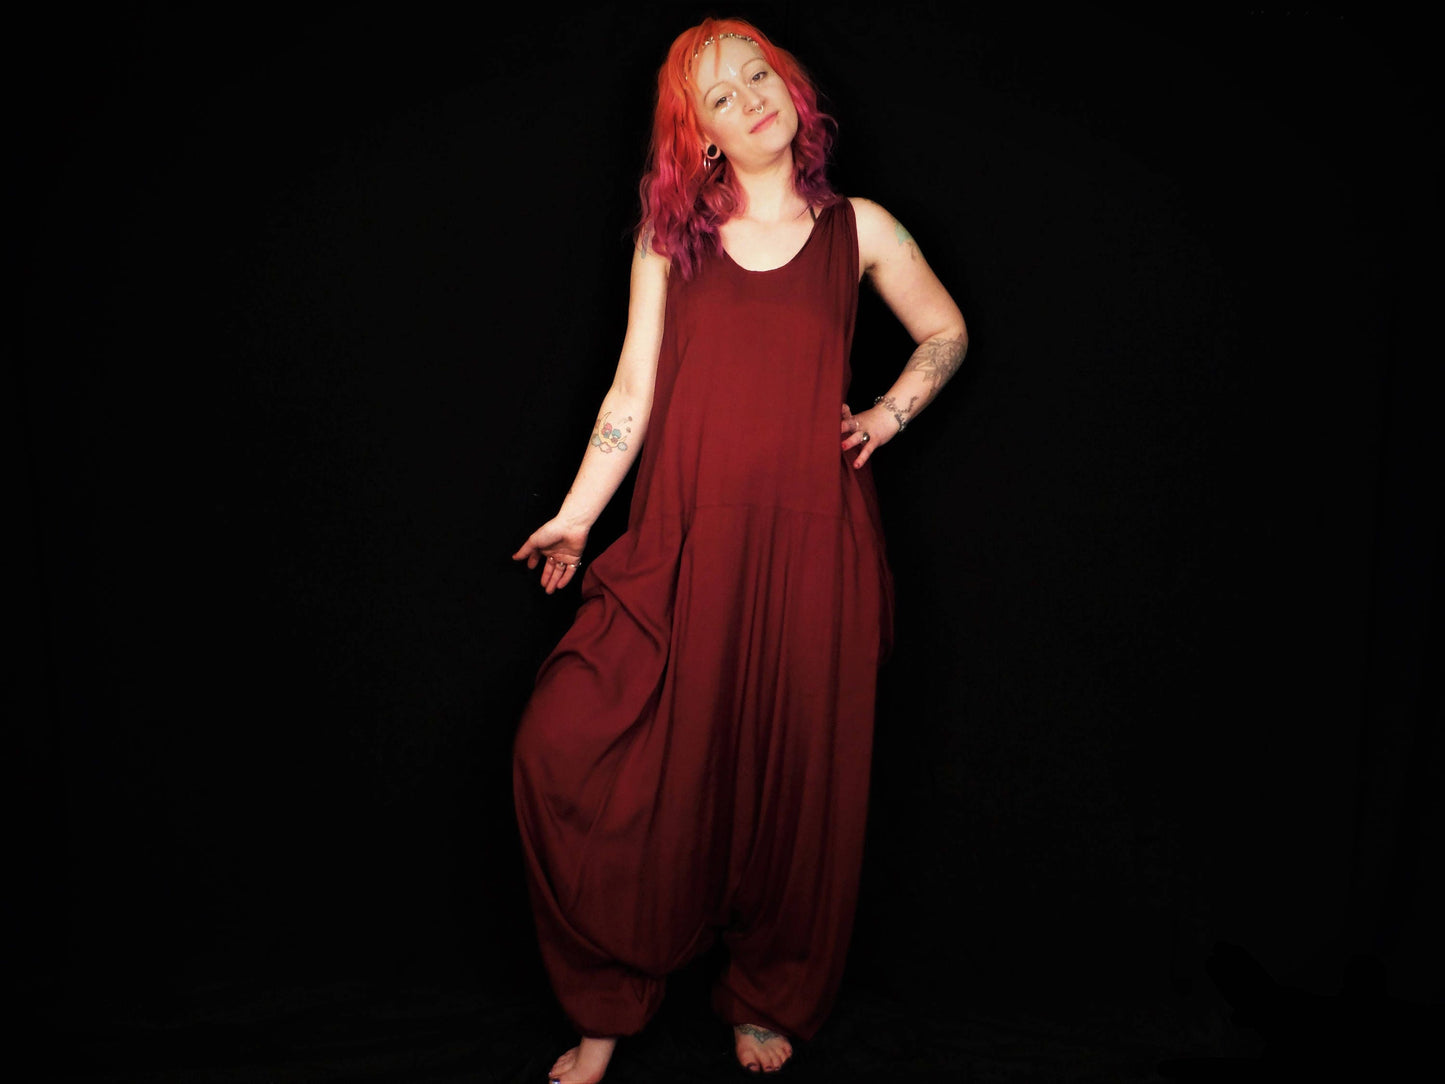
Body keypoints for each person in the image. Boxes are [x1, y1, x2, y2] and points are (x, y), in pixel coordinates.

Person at [511, 17, 966, 1083]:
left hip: (813, 549)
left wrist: (887, 414)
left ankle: (766, 996)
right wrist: (577, 514)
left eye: (759, 75)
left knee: (793, 784)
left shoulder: (861, 229)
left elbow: (945, 331)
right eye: (722, 95)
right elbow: (630, 391)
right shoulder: (672, 241)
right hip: (685, 540)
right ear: (701, 135)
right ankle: (608, 1003)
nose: (752, 97)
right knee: (590, 754)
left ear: (789, 88)